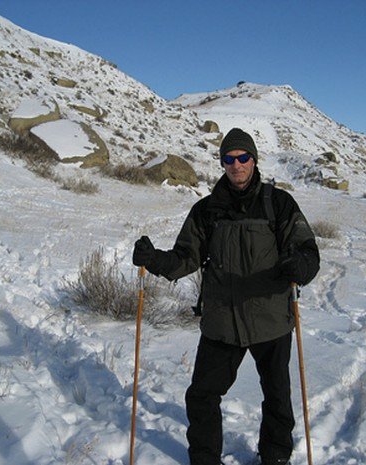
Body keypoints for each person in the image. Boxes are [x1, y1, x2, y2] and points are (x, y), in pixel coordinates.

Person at [132, 127, 320, 465]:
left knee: (278, 397)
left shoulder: (279, 204)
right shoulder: (206, 210)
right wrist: (155, 259)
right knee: (202, 395)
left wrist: (300, 266)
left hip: (271, 320)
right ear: (222, 163)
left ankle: (276, 457)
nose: (236, 164)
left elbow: (308, 250)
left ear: (254, 160)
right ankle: (205, 459)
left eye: (243, 157)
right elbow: (185, 257)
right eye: (229, 159)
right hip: (221, 322)